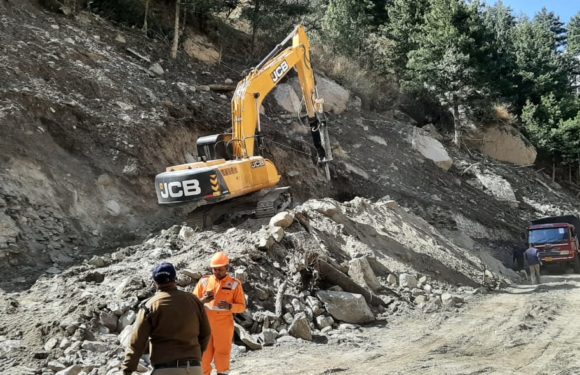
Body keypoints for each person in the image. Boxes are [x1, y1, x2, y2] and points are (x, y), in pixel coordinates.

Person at [122, 262, 211, 375]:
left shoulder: (150, 305)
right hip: (194, 368)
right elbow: (206, 333)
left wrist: (127, 370)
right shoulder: (194, 301)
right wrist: (195, 356)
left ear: (155, 282)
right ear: (175, 279)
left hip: (165, 369)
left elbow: (137, 343)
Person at [193, 252, 246, 375]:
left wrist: (230, 306)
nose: (216, 272)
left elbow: (242, 307)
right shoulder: (204, 282)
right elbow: (193, 303)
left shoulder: (234, 284)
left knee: (222, 354)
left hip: (223, 326)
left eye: (220, 270)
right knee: (204, 355)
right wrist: (203, 300)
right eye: (214, 269)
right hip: (204, 325)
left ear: (227, 268)